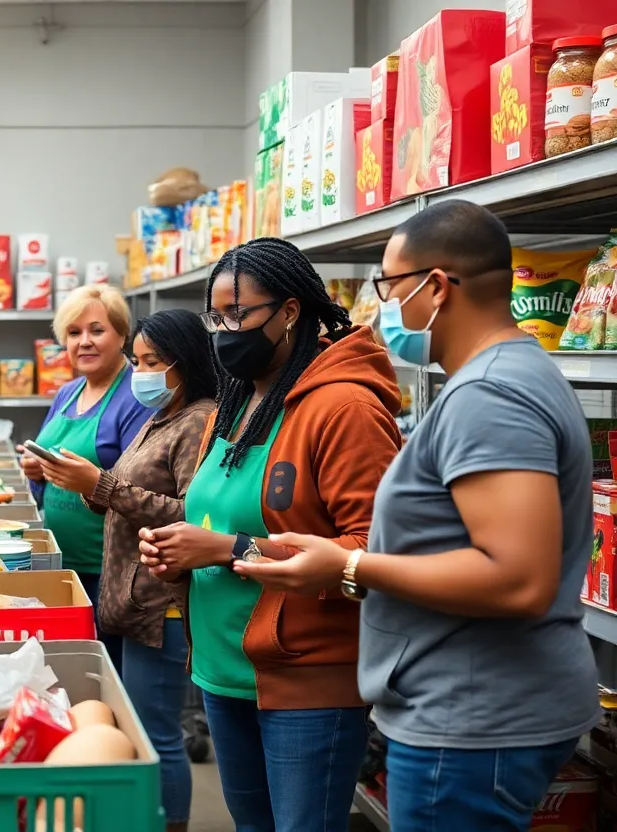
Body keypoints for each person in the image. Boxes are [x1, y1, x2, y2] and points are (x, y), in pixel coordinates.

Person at [234, 202, 601, 832]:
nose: (381, 311)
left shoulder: (491, 394)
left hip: (472, 717)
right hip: (483, 704)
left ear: (434, 287)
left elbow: (516, 577)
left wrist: (348, 563)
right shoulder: (504, 376)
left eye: (389, 286)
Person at [138, 237, 402, 832]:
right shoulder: (235, 404)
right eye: (217, 316)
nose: (226, 330)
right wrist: (182, 550)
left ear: (289, 312)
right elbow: (215, 515)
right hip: (223, 668)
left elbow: (380, 555)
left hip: (306, 677)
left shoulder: (344, 409)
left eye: (240, 314)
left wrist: (231, 551)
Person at [36, 308, 217, 832]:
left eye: (152, 361)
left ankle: (172, 821)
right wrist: (87, 485)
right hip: (130, 598)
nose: (140, 373)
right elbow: (128, 497)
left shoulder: (199, 420)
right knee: (133, 723)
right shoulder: (162, 416)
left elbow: (190, 516)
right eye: (137, 361)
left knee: (155, 733)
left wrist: (100, 483)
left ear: (186, 362)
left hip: (161, 604)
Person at [22, 284, 151, 670]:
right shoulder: (67, 392)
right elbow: (46, 478)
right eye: (74, 333)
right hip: (62, 566)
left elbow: (143, 486)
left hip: (110, 572)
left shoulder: (135, 397)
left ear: (122, 335)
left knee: (102, 675)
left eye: (97, 330)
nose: (84, 342)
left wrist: (91, 480)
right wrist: (36, 471)